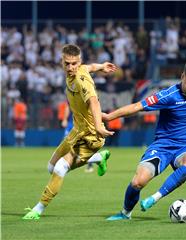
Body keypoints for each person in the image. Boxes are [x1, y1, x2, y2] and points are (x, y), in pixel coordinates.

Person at [104, 61, 186, 220]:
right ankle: (125, 213)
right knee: (138, 182)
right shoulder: (168, 96)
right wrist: (108, 117)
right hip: (163, 147)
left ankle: (155, 197)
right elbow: (137, 106)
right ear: (182, 77)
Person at [22, 44, 117, 220]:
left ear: (78, 61)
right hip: (76, 130)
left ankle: (38, 209)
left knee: (60, 167)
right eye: (67, 63)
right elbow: (90, 67)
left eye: (74, 63)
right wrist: (102, 66)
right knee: (50, 167)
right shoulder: (80, 69)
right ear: (62, 62)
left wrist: (98, 125)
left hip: (90, 136)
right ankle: (99, 158)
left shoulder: (81, 80)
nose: (71, 67)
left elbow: (94, 103)